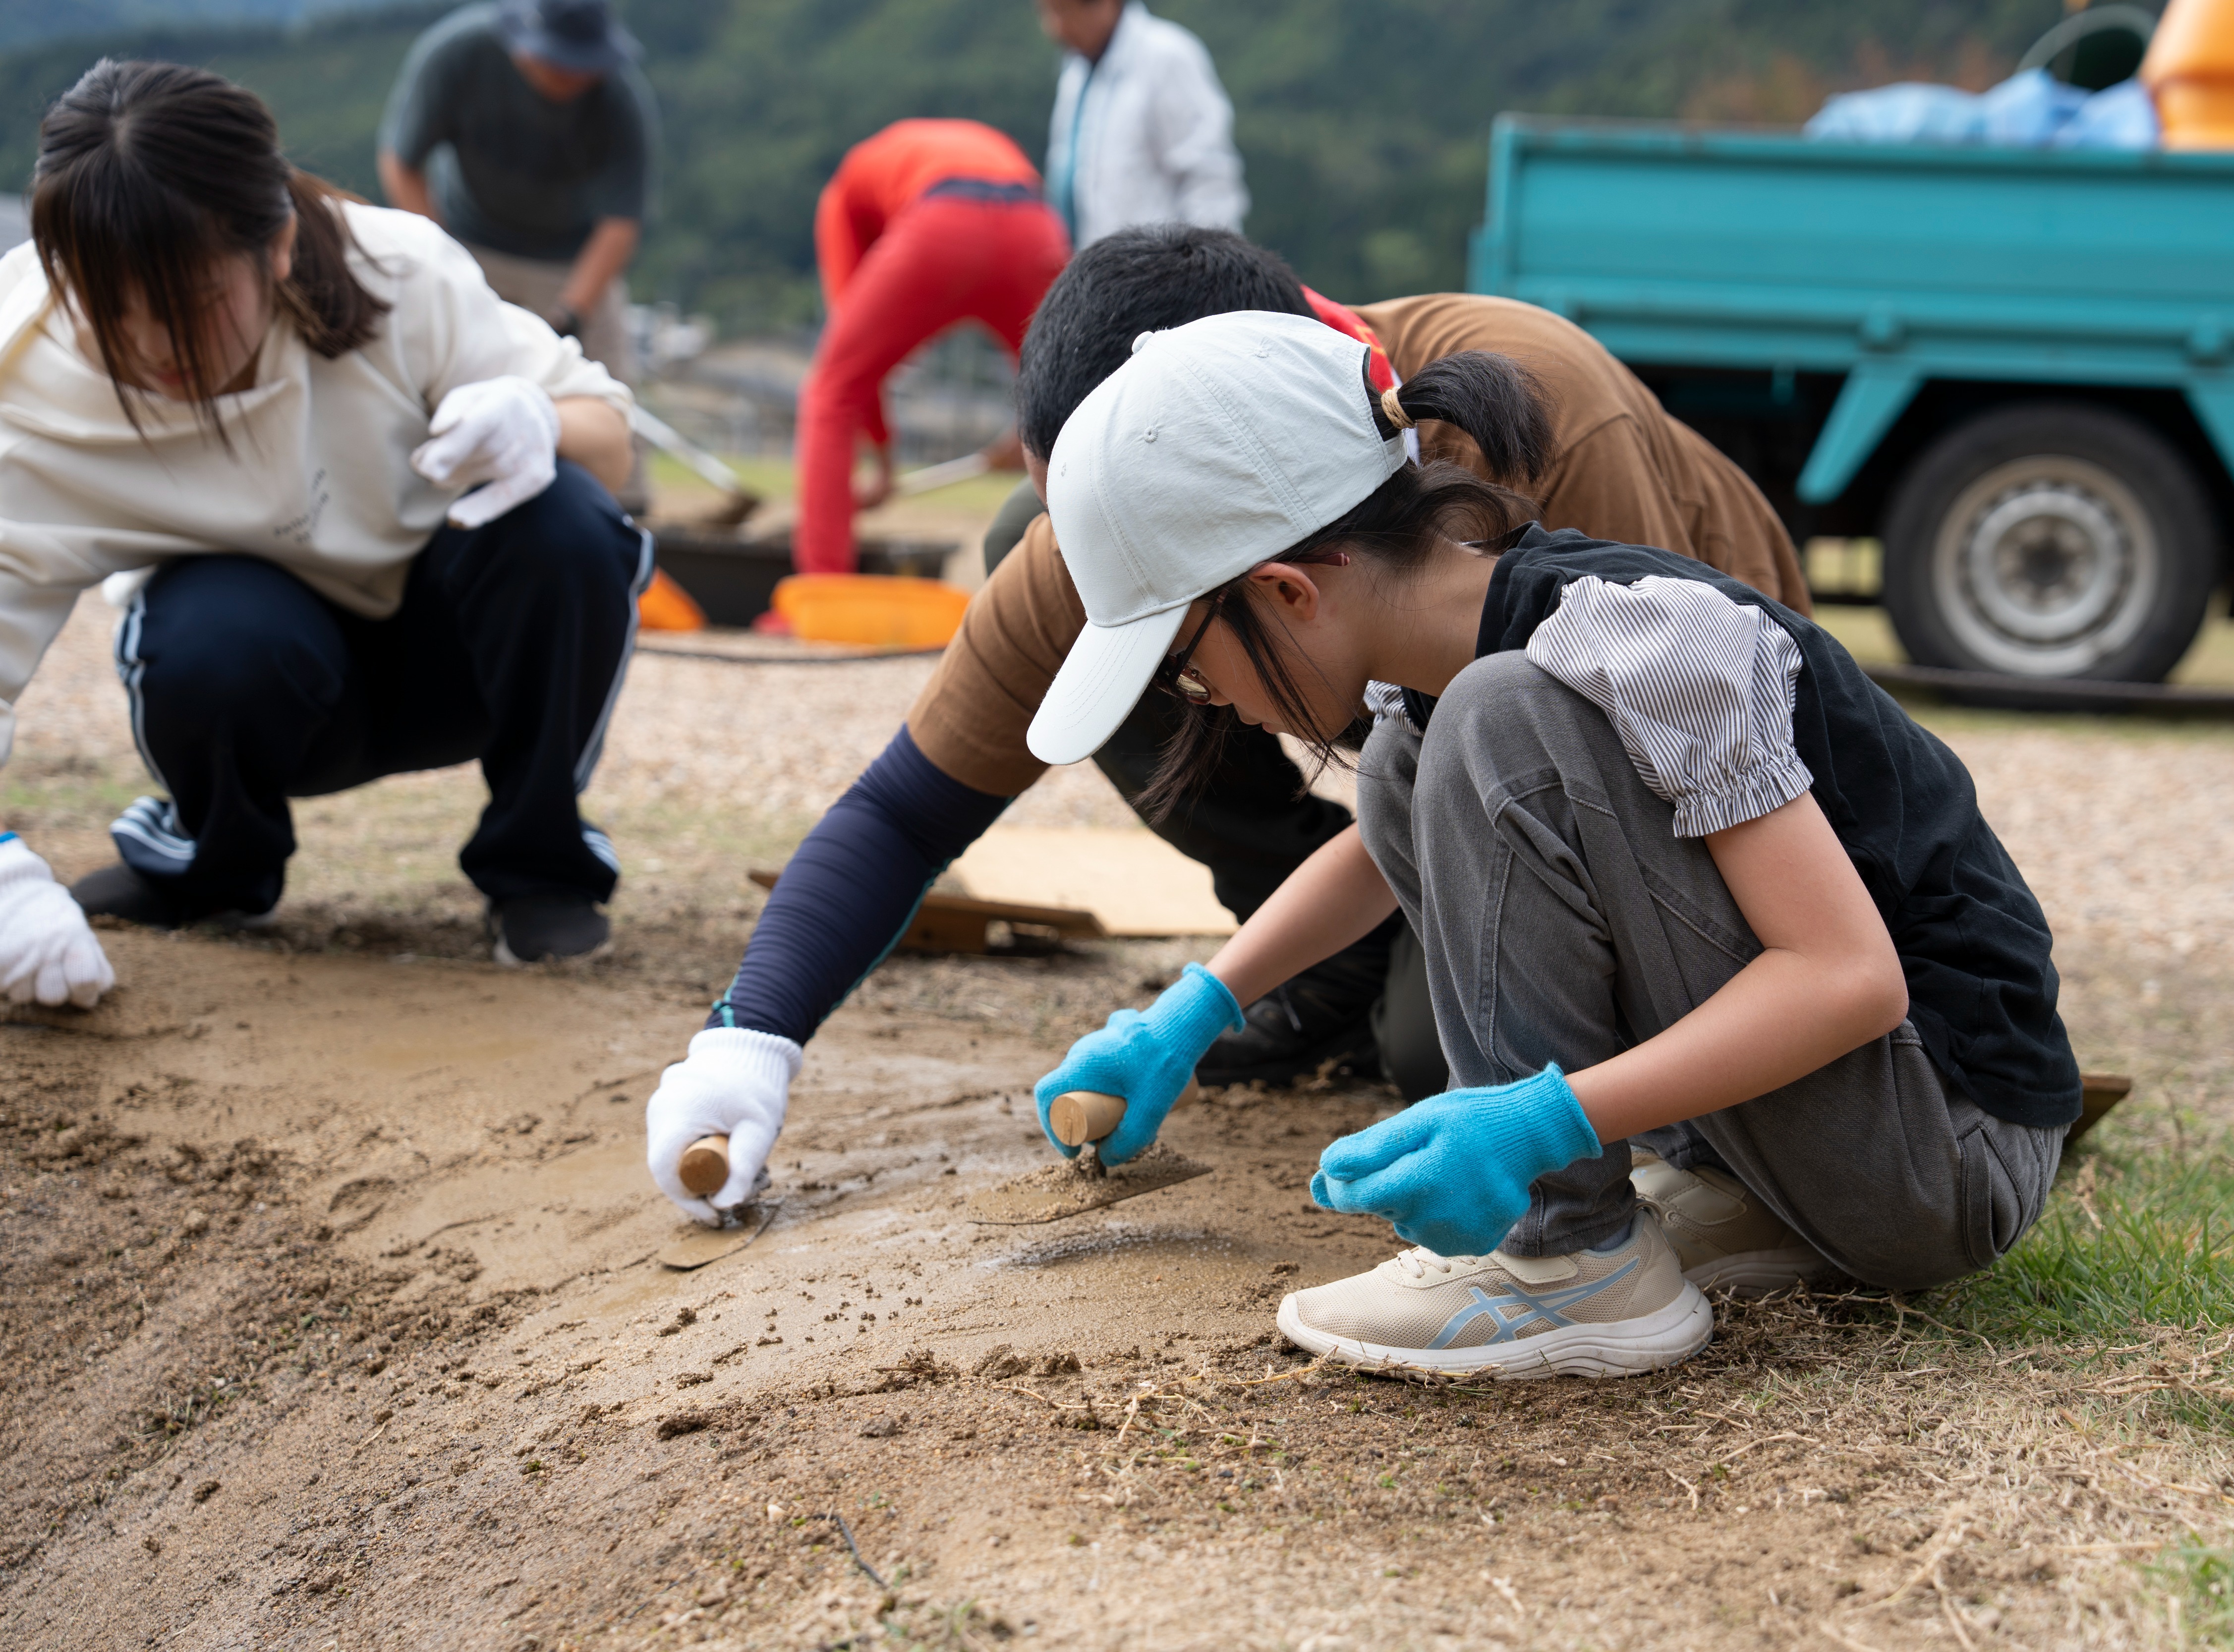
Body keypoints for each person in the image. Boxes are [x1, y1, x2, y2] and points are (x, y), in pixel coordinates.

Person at [640, 228, 1810, 1225]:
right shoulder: (1132, 508)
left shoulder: (1535, 418)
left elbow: (1646, 758)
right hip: (1445, 777)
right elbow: (908, 806)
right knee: (1062, 587)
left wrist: (1555, 1118)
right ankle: (1331, 959)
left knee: (1439, 1054)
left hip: (1686, 785)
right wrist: (749, 1039)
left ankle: (1409, 994)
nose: (1186, 690)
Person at [1018, 311, 2078, 1377]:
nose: (1208, 699)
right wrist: (1191, 1013)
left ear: (1288, 592)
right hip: (1857, 1132)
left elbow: (1849, 977)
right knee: (1404, 764)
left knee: (1493, 720)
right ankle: (1734, 1193)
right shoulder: (1454, 658)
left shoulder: (1631, 640)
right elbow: (1375, 860)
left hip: (1946, 1153)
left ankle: (1567, 1261)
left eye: (1188, 668)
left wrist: (1539, 1124)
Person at [0, 60, 647, 990]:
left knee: (567, 521)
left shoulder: (396, 272)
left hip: (460, 659)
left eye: (192, 307)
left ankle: (539, 864)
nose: (151, 347)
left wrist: (541, 418)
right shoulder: (25, 380)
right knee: (210, 627)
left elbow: (611, 443)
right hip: (259, 679)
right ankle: (217, 862)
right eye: (111, 311)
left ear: (277, 246)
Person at [378, 0, 656, 491]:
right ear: (522, 46)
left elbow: (620, 223)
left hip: (572, 259)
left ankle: (624, 511)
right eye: (559, 62)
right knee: (437, 372)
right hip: (469, 241)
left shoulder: (618, 97)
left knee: (608, 393)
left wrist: (572, 313)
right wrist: (442, 260)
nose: (571, 76)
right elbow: (402, 163)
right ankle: (424, 487)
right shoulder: (457, 55)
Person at [789, 119, 1069, 578]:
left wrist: (883, 460)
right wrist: (1026, 435)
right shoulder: (964, 144)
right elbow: (1054, 393)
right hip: (1034, 224)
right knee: (1076, 396)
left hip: (941, 225)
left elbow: (855, 374)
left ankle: (821, 582)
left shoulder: (843, 192)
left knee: (830, 391)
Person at [1038, 0, 1246, 250]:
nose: (1055, 29)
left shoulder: (1167, 57)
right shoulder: (1076, 71)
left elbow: (1209, 181)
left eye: (1062, 12)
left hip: (1158, 269)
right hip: (1091, 267)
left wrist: (1206, 265)